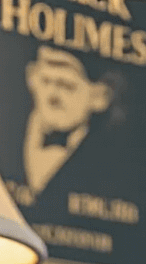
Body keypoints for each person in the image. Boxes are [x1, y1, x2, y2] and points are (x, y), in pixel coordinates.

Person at [23, 47, 114, 198]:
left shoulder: (108, 159)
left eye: (67, 86)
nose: (52, 96)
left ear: (99, 98)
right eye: (46, 81)